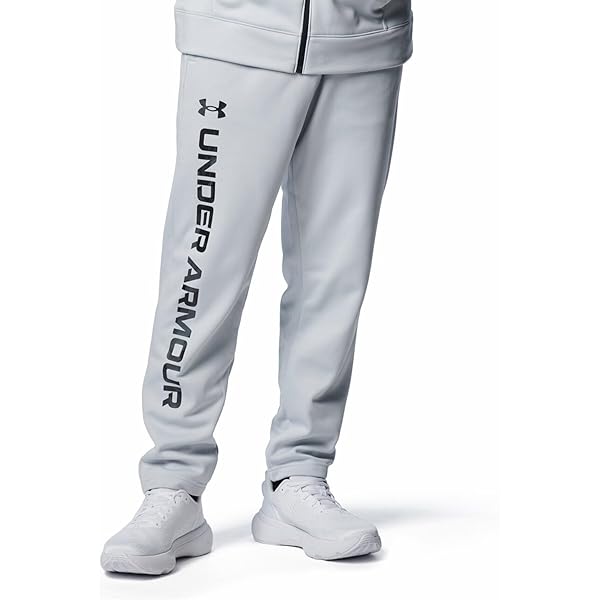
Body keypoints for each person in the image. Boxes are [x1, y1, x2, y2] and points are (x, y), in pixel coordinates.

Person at [101, 0, 413, 575]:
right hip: (238, 29)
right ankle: (174, 482)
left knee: (336, 276)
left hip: (367, 34)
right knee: (203, 265)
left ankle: (299, 476)